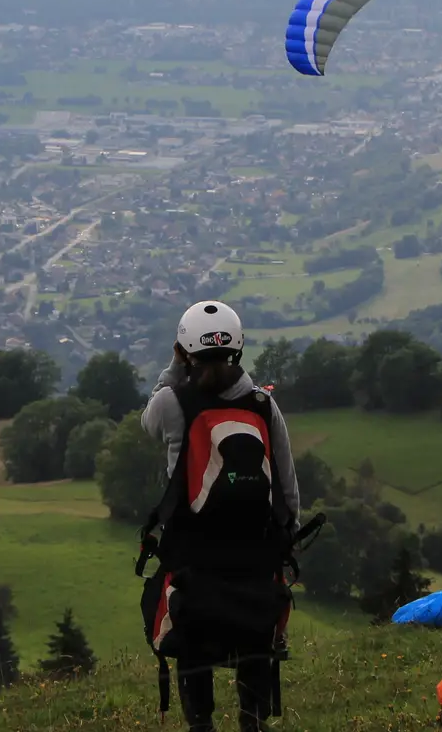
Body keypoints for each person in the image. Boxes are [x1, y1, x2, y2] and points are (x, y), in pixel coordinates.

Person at [139, 300, 300, 732]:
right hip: (255, 555)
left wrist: (174, 368)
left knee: (194, 639)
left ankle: (202, 724)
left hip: (194, 554)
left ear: (184, 349)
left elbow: (147, 423)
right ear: (239, 348)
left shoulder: (173, 402)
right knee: (254, 635)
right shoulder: (264, 405)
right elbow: (287, 486)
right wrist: (285, 537)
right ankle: (252, 720)